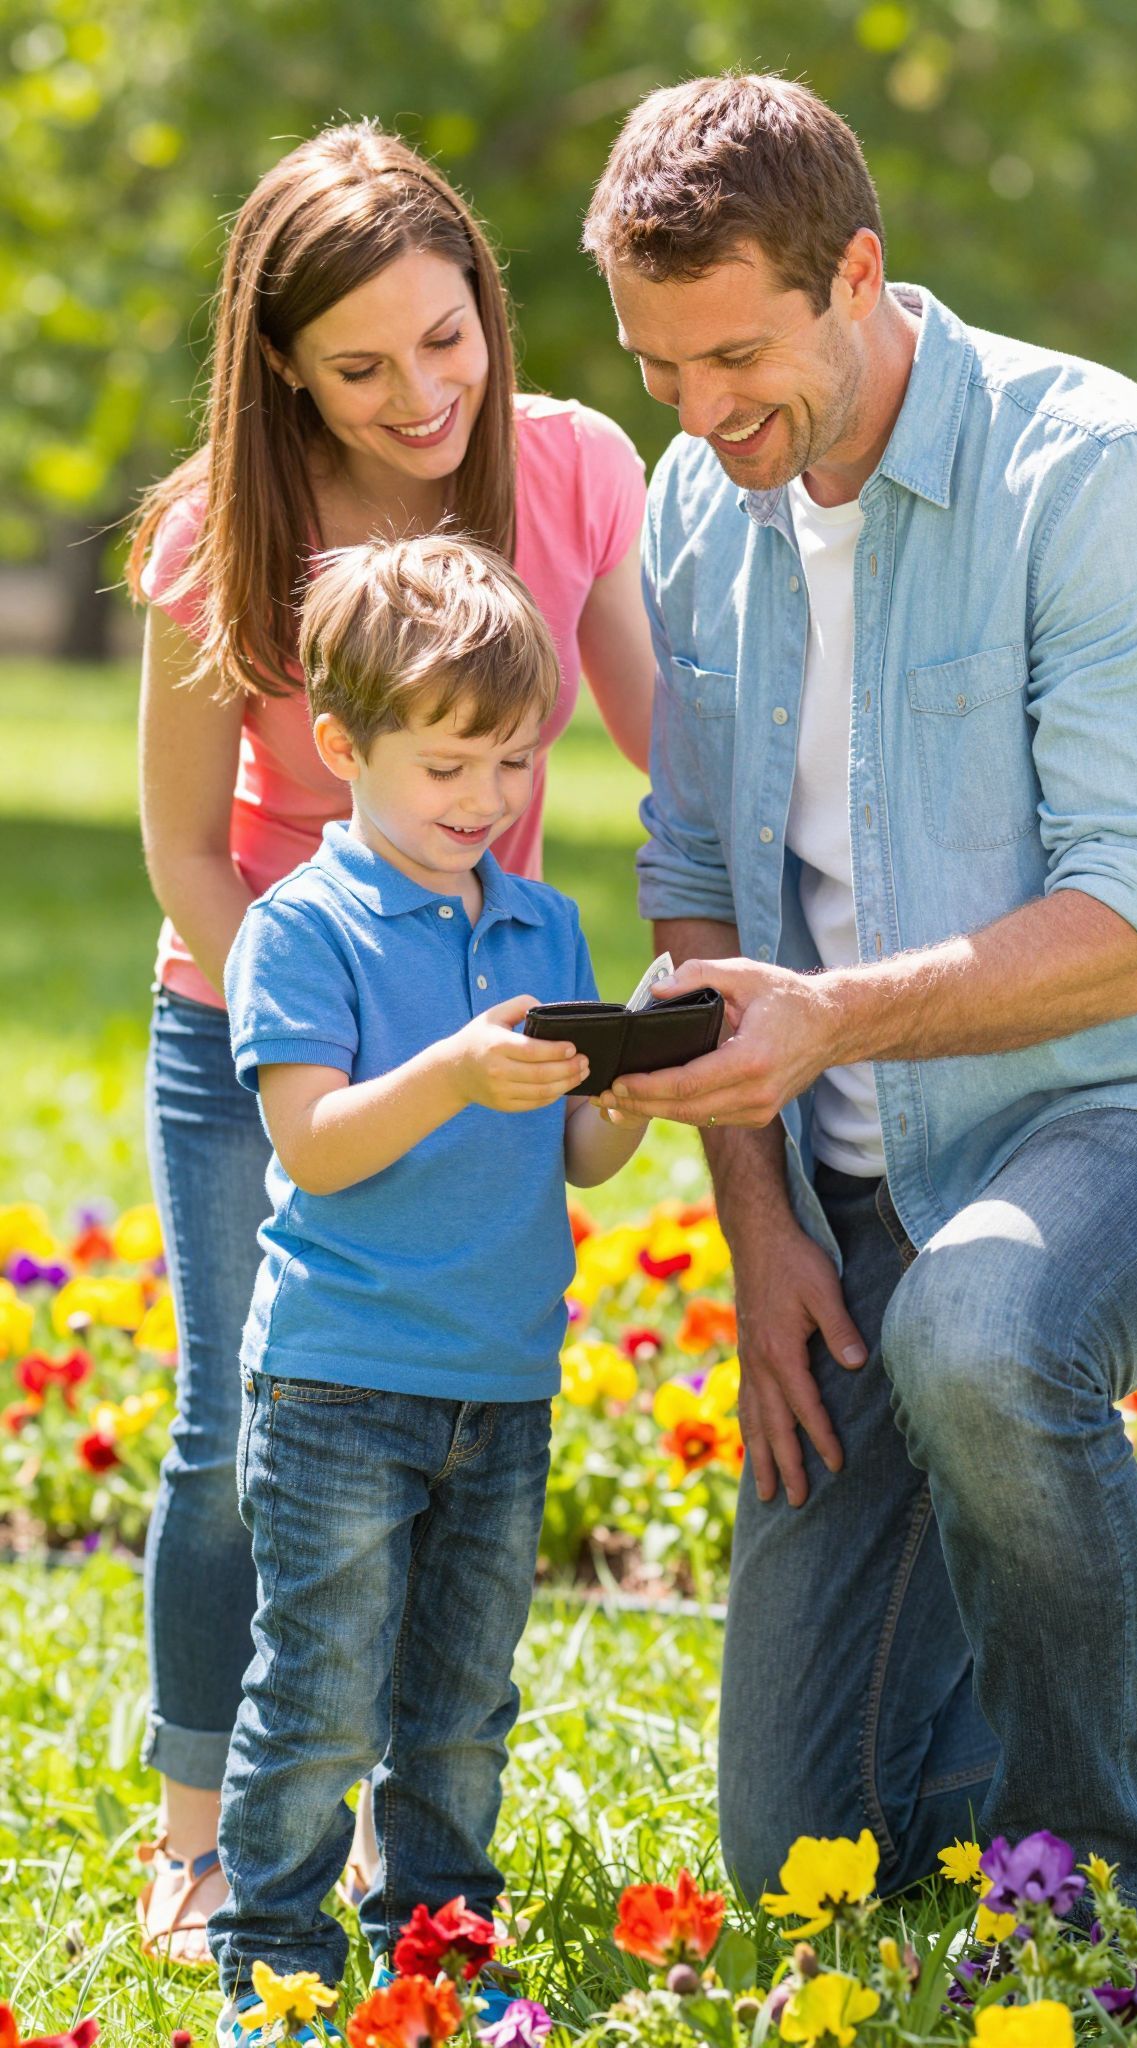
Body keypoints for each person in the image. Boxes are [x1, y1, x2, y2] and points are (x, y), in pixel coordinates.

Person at [582, 74, 1137, 1909]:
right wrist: (760, 1221)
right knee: (802, 1853)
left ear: (859, 273)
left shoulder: (1090, 472)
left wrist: (837, 1021)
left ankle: (1100, 1870)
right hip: (839, 1185)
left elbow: (1134, 915)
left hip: (1096, 1116)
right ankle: (1060, 1683)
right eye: (657, 367)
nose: (699, 409)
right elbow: (691, 894)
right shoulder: (694, 500)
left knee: (980, 1332)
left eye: (734, 352)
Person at [126, 120, 653, 1962]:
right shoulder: (226, 525)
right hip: (261, 1012)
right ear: (283, 366)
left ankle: (409, 1856)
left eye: (449, 337)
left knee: (449, 1429)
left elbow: (675, 763)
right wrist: (327, 1012)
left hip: (488, 1023)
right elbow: (188, 844)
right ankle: (202, 1843)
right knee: (237, 1431)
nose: (422, 392)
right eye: (361, 365)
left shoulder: (577, 468)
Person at [208, 533, 647, 2044]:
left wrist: (629, 1089)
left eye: (514, 765)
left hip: (502, 1380)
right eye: (449, 765)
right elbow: (317, 1147)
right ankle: (272, 1941)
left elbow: (579, 1160)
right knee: (322, 1691)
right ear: (343, 747)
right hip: (340, 1379)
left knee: (462, 1704)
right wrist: (456, 1071)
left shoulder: (542, 926)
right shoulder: (301, 930)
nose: (485, 802)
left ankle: (437, 1935)